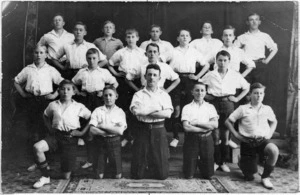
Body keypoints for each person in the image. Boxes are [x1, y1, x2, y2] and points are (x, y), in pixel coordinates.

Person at [32, 80, 91, 188]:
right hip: (55, 136)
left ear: (73, 92)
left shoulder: (79, 106)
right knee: (37, 147)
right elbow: (45, 115)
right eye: (63, 89)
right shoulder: (53, 104)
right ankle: (45, 176)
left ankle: (54, 168)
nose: (65, 92)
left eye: (69, 89)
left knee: (66, 176)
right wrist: (50, 128)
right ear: (58, 91)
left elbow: (91, 118)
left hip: (70, 138)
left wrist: (81, 132)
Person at [200, 50, 250, 172]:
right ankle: (216, 162)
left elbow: (246, 86)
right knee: (216, 135)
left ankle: (223, 162)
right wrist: (207, 96)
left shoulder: (234, 74)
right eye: (220, 60)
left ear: (229, 61)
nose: (222, 63)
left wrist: (237, 98)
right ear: (216, 61)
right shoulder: (210, 74)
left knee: (225, 135)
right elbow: (199, 85)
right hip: (214, 104)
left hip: (228, 104)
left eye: (225, 60)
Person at [225, 83, 278, 189]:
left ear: (263, 95)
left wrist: (270, 133)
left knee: (274, 150)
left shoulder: (267, 109)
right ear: (250, 95)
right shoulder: (243, 108)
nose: (258, 96)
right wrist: (236, 135)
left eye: (261, 93)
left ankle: (265, 177)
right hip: (247, 142)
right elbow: (228, 122)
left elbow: (274, 121)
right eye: (255, 93)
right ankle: (242, 162)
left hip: (263, 141)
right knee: (249, 176)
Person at [72, 48, 118, 169]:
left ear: (98, 59)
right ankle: (90, 159)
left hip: (99, 100)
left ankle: (105, 159)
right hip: (86, 100)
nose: (92, 61)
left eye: (94, 58)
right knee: (88, 130)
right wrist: (78, 92)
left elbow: (114, 83)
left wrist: (104, 92)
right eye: (89, 58)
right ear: (86, 59)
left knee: (101, 127)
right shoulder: (82, 72)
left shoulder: (103, 72)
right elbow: (72, 83)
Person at [130, 64, 173, 180]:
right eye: (149, 74)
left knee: (162, 175)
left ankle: (155, 168)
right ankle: (143, 169)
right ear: (145, 76)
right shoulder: (138, 94)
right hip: (142, 128)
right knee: (137, 175)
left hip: (159, 129)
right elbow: (136, 111)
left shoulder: (164, 95)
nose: (152, 77)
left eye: (155, 75)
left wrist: (146, 111)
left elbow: (167, 114)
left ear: (159, 78)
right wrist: (157, 109)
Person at [14, 44, 64, 143]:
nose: (38, 55)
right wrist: (23, 94)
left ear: (46, 55)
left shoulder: (50, 69)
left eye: (41, 53)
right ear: (33, 54)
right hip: (31, 100)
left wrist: (54, 95)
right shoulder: (28, 69)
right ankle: (32, 148)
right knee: (31, 123)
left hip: (45, 100)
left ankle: (46, 148)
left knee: (45, 124)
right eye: (36, 52)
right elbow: (16, 81)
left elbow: (62, 83)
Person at [169, 29, 210, 147]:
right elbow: (160, 61)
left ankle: (189, 136)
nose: (184, 37)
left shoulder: (194, 51)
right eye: (182, 35)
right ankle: (176, 137)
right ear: (178, 38)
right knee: (176, 110)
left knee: (190, 109)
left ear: (190, 38)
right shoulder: (172, 51)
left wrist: (197, 76)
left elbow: (206, 64)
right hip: (176, 80)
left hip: (190, 81)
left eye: (187, 35)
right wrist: (170, 74)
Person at [108, 28, 147, 147]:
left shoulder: (142, 52)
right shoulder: (121, 52)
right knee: (124, 110)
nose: (131, 39)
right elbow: (110, 63)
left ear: (137, 38)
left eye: (133, 37)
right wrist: (116, 74)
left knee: (136, 110)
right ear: (125, 39)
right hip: (124, 83)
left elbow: (146, 67)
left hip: (137, 82)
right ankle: (125, 136)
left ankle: (134, 137)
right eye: (128, 37)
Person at [234, 13, 278, 104]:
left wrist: (266, 61)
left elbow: (274, 48)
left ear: (259, 22)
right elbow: (234, 51)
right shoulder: (242, 37)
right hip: (246, 67)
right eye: (251, 20)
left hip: (260, 67)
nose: (254, 22)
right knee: (246, 91)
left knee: (259, 91)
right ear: (247, 22)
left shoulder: (264, 36)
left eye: (256, 19)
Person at [182, 82, 219, 179]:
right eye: (197, 90)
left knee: (208, 175)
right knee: (188, 175)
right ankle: (193, 164)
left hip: (206, 139)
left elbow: (215, 124)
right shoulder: (187, 107)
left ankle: (202, 163)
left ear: (205, 92)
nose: (199, 93)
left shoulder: (210, 107)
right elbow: (186, 127)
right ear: (192, 92)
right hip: (192, 139)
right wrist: (205, 127)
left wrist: (197, 123)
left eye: (202, 90)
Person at [89, 86, 127, 179]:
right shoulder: (98, 111)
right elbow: (92, 129)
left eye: (110, 95)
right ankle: (101, 168)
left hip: (114, 142)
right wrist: (106, 132)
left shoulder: (120, 112)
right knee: (99, 176)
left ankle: (111, 167)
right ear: (103, 97)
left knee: (117, 176)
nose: (108, 98)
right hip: (100, 141)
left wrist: (101, 126)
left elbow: (120, 131)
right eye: (105, 95)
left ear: (116, 96)